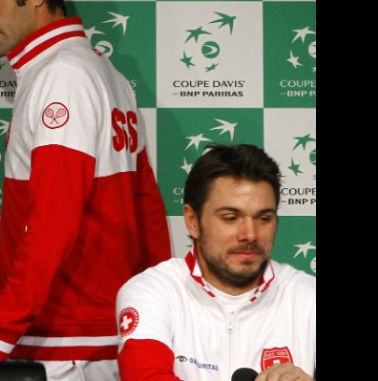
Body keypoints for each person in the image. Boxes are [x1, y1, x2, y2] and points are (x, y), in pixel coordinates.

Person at [0, 0, 172, 381]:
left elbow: (54, 220)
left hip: (66, 344)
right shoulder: (103, 72)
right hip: (103, 336)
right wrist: (158, 313)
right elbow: (146, 204)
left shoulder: (61, 78)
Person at [115, 144, 316, 381]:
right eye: (230, 218)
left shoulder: (308, 297)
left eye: (264, 218)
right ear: (192, 221)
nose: (250, 234)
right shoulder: (152, 290)